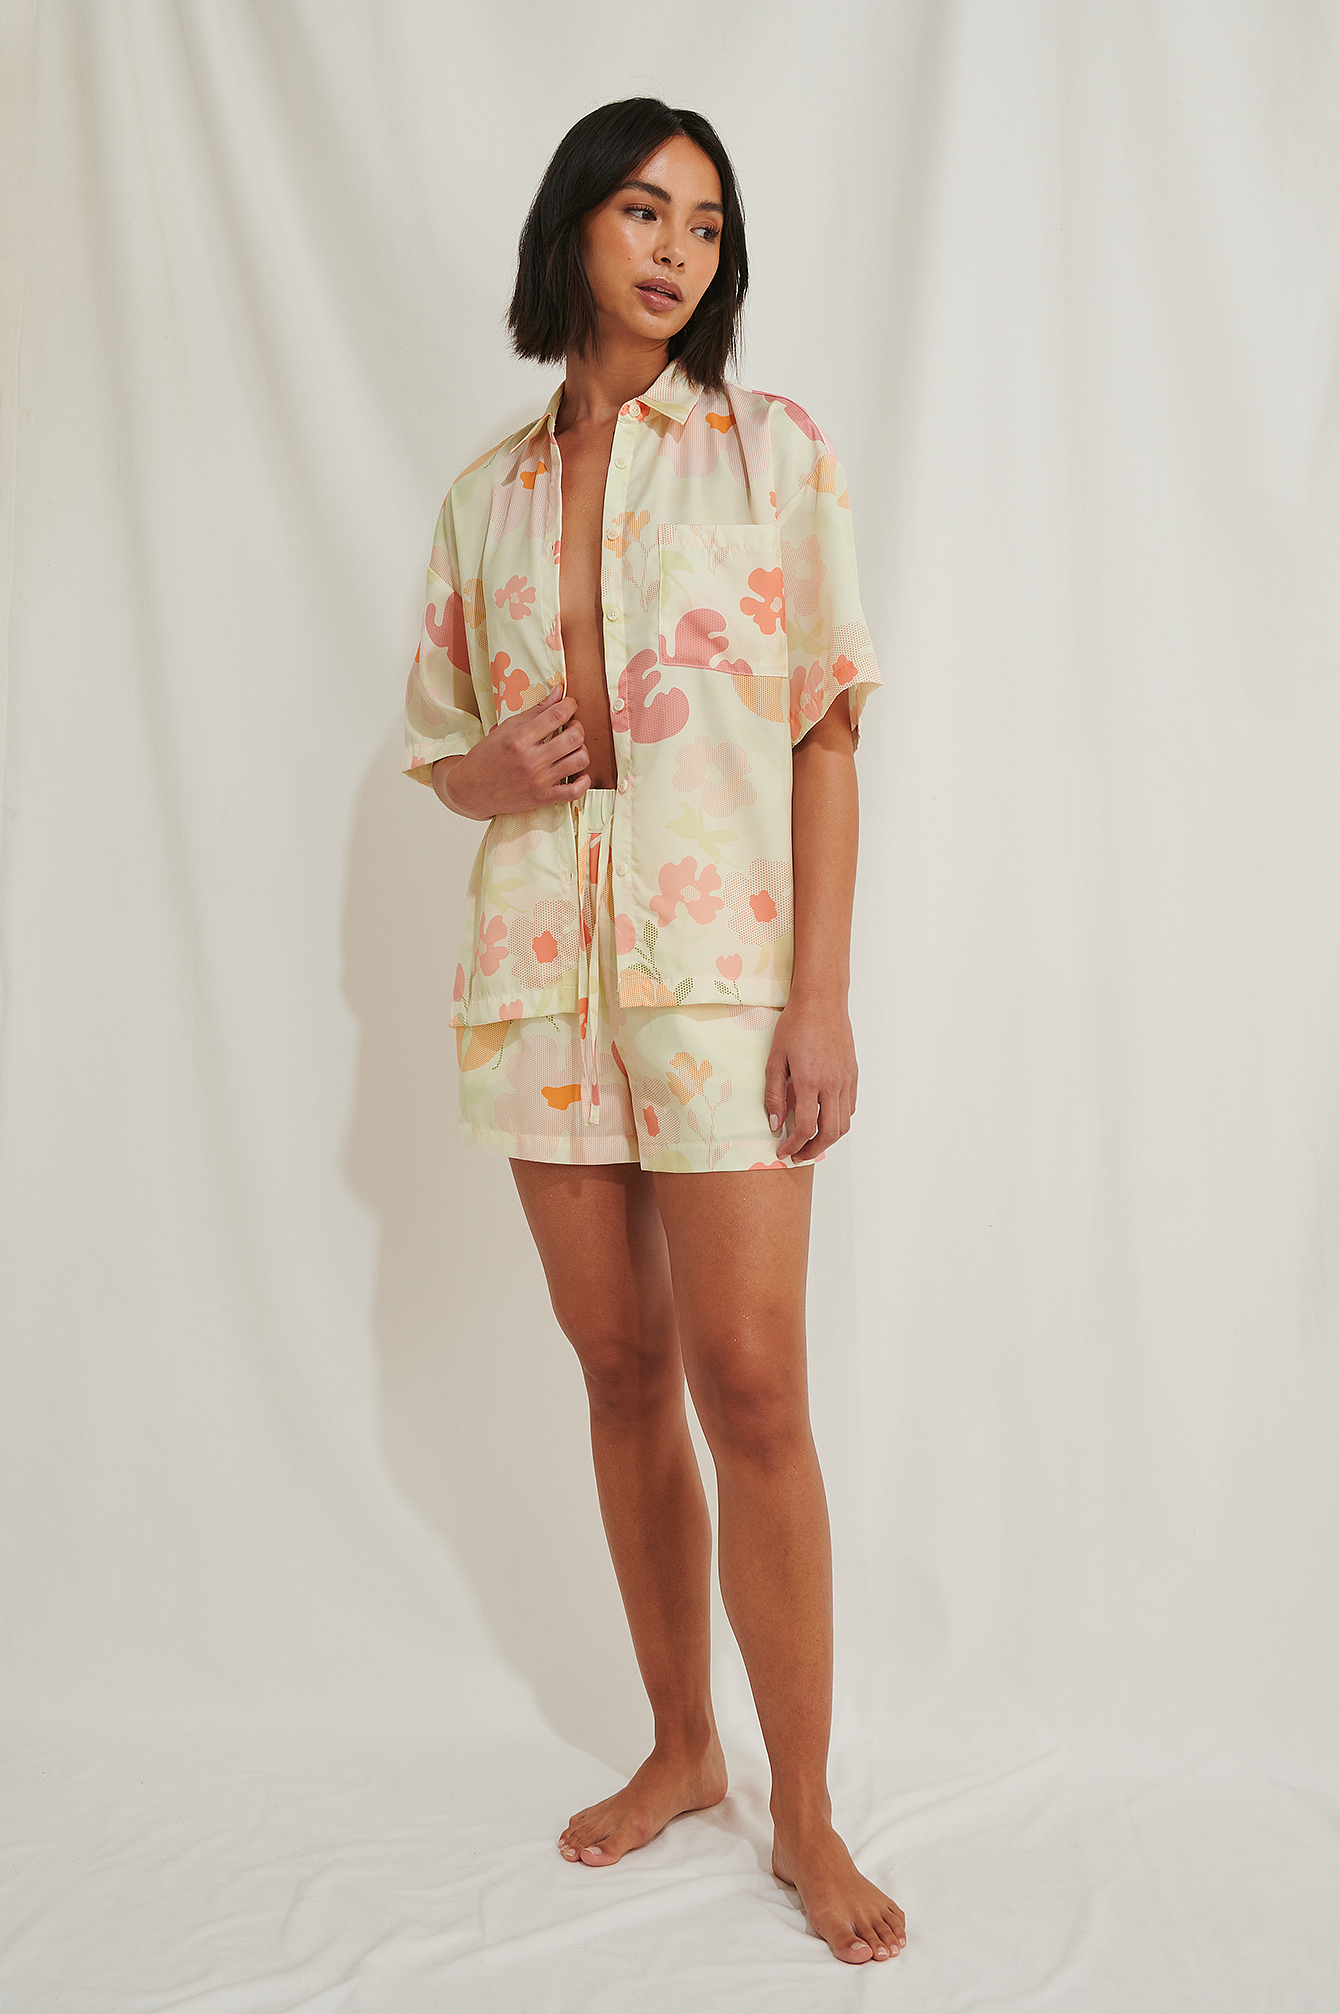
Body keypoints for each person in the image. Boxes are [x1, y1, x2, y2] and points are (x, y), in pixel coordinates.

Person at [403, 96, 905, 1967]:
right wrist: (491, 772)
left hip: (721, 984)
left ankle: (808, 1804)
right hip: (543, 979)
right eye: (642, 209)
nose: (678, 248)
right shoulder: (487, 494)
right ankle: (684, 1745)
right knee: (619, 1371)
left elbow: (827, 731)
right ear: (575, 228)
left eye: (705, 222)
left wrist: (819, 996)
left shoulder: (775, 456)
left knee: (752, 1386)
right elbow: (440, 745)